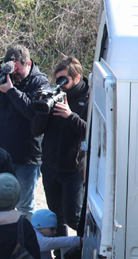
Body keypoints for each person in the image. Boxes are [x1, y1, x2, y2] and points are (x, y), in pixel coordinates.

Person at [0, 45, 50, 218]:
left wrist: (10, 91)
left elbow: (33, 112)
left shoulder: (39, 82)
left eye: (18, 69)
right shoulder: (4, 77)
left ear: (28, 64)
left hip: (25, 155)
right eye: (11, 68)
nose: (13, 74)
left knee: (23, 206)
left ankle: (24, 242)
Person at [32, 56, 89, 238]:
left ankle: (85, 250)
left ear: (77, 77)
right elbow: (35, 130)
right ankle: (60, 258)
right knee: (57, 217)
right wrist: (43, 106)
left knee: (74, 217)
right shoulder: (55, 95)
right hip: (49, 166)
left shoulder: (89, 99)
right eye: (58, 80)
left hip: (73, 170)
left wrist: (70, 115)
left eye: (65, 80)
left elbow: (92, 132)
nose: (61, 84)